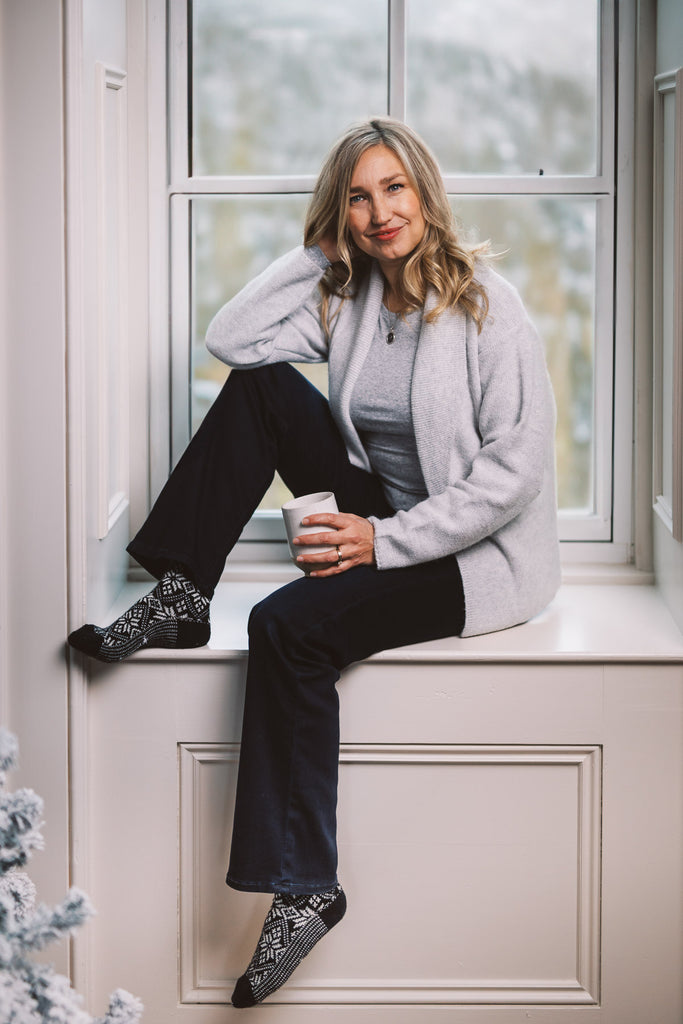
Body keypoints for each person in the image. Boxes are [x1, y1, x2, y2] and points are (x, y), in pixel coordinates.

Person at [68, 117, 561, 1008]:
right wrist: (316, 252)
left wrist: (384, 542)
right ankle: (180, 591)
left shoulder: (488, 304)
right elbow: (233, 338)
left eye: (394, 190)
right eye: (359, 197)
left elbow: (514, 477)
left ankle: (305, 888)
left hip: (472, 557)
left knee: (283, 625)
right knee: (260, 386)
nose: (380, 213)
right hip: (391, 520)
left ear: (425, 191)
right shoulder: (349, 296)